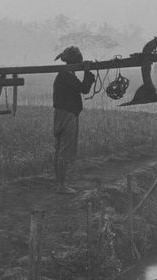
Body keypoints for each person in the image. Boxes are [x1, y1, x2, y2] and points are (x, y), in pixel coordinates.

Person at [53, 46, 95, 194]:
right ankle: (61, 185)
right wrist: (87, 72)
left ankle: (59, 183)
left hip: (61, 114)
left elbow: (80, 88)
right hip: (68, 114)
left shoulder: (64, 74)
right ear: (75, 62)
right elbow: (84, 89)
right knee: (65, 149)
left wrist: (86, 73)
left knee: (59, 149)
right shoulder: (67, 75)